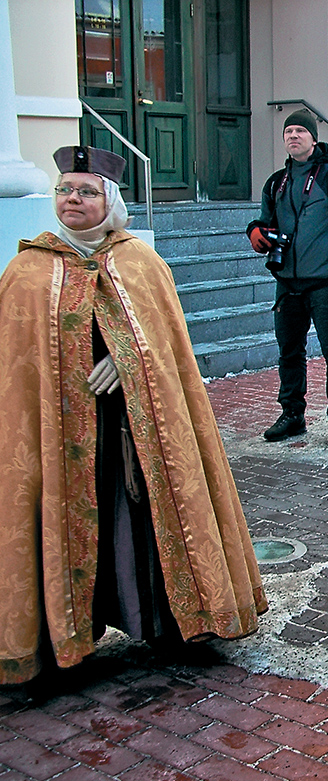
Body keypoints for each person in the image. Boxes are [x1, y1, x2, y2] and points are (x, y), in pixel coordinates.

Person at [0, 146, 268, 685]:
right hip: (58, 439)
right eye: (64, 190)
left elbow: (170, 352)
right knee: (60, 517)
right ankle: (58, 636)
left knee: (143, 524)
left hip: (135, 435)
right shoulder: (27, 270)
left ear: (111, 199)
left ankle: (169, 622)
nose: (72, 200)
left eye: (86, 191)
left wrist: (128, 362)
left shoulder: (140, 263)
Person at [247, 109, 328, 446]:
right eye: (289, 132)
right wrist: (255, 231)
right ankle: (292, 414)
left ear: (314, 139)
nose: (293, 136)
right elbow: (265, 222)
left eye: (300, 131)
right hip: (287, 283)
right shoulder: (276, 182)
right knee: (289, 352)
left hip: (326, 283)